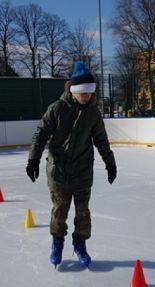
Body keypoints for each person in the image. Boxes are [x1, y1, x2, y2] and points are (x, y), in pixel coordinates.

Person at [26, 61, 117, 269]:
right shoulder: (57, 109)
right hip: (59, 171)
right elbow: (40, 135)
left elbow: (101, 140)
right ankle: (57, 243)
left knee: (83, 212)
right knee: (59, 211)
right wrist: (33, 159)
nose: (87, 96)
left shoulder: (93, 113)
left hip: (83, 172)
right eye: (83, 92)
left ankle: (80, 245)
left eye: (90, 92)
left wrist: (110, 164)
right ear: (73, 90)